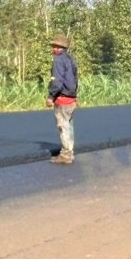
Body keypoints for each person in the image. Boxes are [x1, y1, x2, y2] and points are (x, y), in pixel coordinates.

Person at [47, 34, 79, 165]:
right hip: (71, 99)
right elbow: (75, 79)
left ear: (58, 47)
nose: (52, 49)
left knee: (63, 126)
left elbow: (57, 82)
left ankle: (66, 155)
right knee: (69, 125)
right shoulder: (71, 59)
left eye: (54, 46)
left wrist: (50, 96)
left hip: (63, 99)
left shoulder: (58, 60)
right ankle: (69, 151)